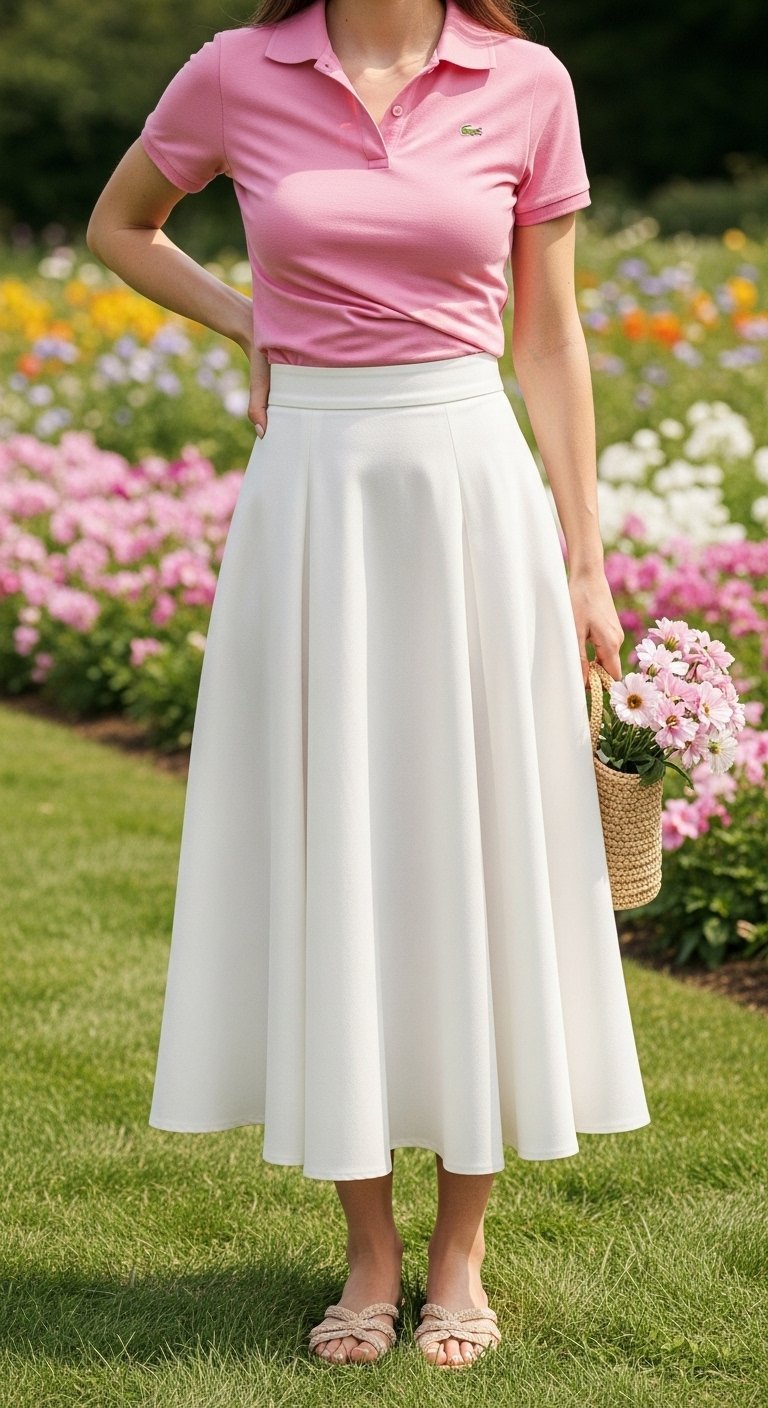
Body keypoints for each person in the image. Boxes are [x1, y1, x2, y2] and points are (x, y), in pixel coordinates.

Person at [87, 0, 652, 1372]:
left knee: (472, 855)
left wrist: (586, 559)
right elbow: (120, 227)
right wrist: (247, 321)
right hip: (311, 503)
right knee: (335, 848)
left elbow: (551, 337)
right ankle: (369, 1252)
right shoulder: (236, 68)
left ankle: (459, 1253)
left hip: (469, 487)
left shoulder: (527, 80)